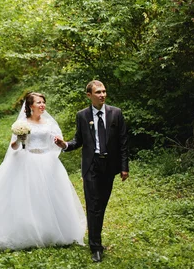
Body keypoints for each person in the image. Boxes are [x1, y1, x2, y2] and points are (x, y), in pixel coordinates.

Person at [0, 92, 87, 250]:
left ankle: (51, 231)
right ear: (30, 106)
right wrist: (20, 138)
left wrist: (60, 143)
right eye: (38, 102)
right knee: (28, 196)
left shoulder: (49, 123)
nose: (42, 105)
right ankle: (28, 232)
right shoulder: (22, 124)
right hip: (27, 160)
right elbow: (13, 147)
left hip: (48, 162)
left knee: (50, 197)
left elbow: (56, 143)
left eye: (43, 102)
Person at [54, 80, 129, 263]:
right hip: (91, 166)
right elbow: (78, 140)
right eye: (98, 92)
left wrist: (124, 167)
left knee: (101, 206)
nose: (102, 95)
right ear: (89, 95)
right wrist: (65, 145)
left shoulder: (116, 113)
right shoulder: (82, 115)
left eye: (104, 91)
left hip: (109, 166)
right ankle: (95, 247)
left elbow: (123, 142)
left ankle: (96, 238)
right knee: (93, 206)